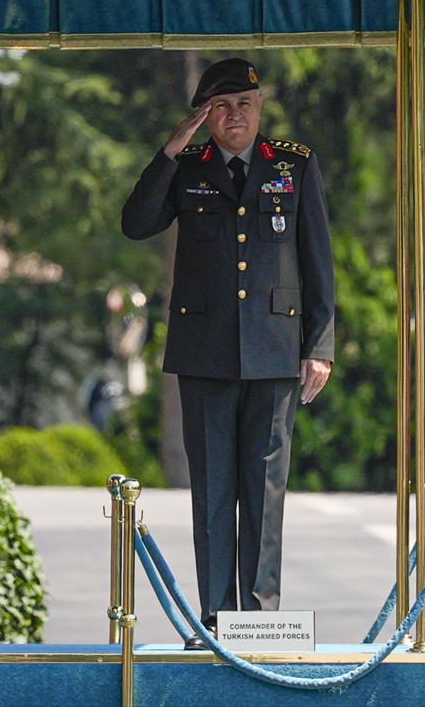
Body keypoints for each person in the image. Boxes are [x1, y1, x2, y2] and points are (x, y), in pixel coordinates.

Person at [121, 58, 334, 650]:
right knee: (213, 489)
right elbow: (136, 223)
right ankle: (216, 621)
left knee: (265, 489)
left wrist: (319, 346)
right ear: (204, 115)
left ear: (259, 108)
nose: (234, 115)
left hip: (275, 350)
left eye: (243, 103)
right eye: (220, 106)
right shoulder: (187, 168)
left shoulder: (293, 165)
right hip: (206, 352)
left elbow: (318, 260)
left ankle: (261, 620)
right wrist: (171, 148)